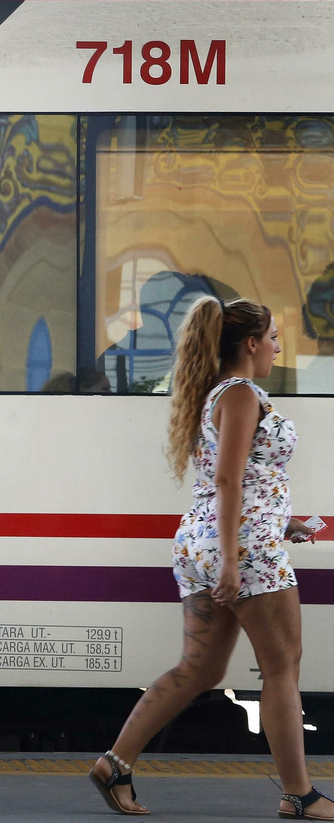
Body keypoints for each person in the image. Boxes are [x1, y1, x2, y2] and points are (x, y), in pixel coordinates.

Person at [89, 298, 329, 819]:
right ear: (250, 343)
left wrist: (281, 523)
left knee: (199, 668)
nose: (277, 347)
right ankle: (300, 796)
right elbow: (227, 478)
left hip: (203, 543)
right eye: (272, 338)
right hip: (242, 551)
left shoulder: (214, 394)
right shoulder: (242, 394)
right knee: (282, 667)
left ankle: (116, 763)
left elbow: (240, 480)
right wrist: (231, 558)